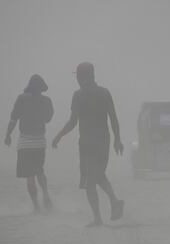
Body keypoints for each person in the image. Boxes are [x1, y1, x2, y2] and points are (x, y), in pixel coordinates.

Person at [52, 62, 124, 227]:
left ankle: (99, 217)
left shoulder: (78, 95)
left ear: (81, 76)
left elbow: (72, 122)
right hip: (103, 141)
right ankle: (114, 201)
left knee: (90, 181)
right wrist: (117, 140)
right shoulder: (104, 93)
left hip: (87, 143)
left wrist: (58, 136)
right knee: (98, 174)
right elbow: (113, 118)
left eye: (77, 75)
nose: (76, 78)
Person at [4, 74, 54, 213]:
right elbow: (48, 119)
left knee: (30, 175)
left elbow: (13, 119)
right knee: (40, 170)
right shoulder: (46, 101)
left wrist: (7, 135)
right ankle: (46, 195)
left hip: (25, 142)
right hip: (39, 142)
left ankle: (36, 207)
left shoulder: (21, 99)